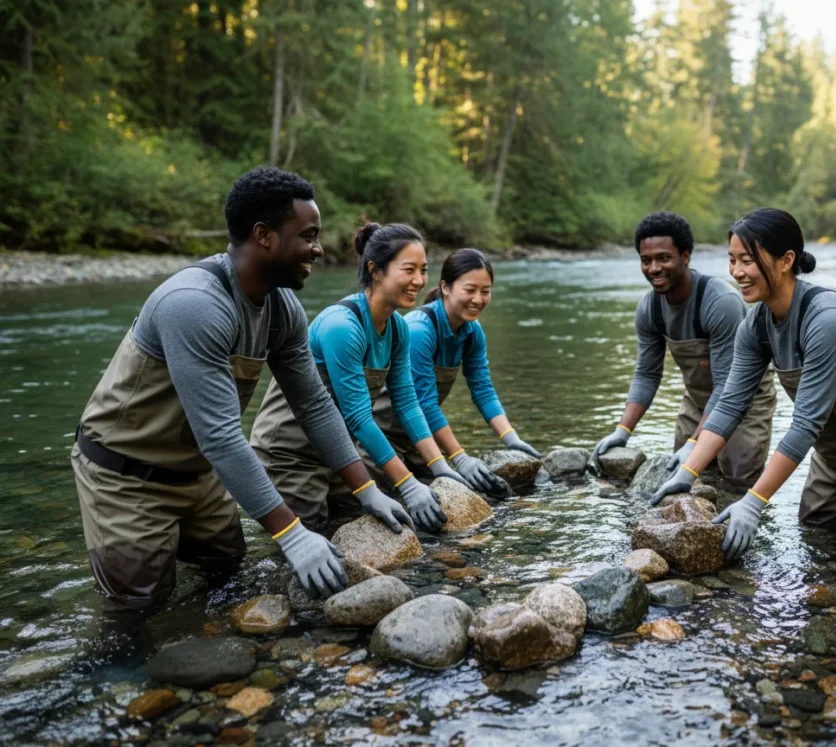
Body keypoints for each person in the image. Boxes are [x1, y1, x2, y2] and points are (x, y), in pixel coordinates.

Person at [71, 166, 400, 613]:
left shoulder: (282, 308)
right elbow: (222, 436)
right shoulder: (194, 304)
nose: (319, 249)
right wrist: (291, 533)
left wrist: (368, 491)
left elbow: (315, 405)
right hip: (127, 477)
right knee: (139, 609)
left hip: (199, 472)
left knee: (227, 568)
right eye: (308, 235)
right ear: (264, 235)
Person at [652, 208, 836, 567]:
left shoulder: (828, 319)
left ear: (786, 261)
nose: (737, 272)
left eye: (748, 260)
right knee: (815, 540)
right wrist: (687, 472)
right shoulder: (755, 324)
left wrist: (754, 502)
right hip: (832, 457)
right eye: (732, 260)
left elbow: (805, 424)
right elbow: (730, 403)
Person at [251, 222, 471, 533]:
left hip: (339, 453)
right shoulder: (342, 326)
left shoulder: (398, 328)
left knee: (368, 520)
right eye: (409, 270)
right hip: (290, 455)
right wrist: (407, 484)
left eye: (424, 270)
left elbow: (408, 404)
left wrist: (442, 466)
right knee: (312, 535)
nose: (420, 281)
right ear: (376, 270)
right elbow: (358, 417)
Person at [591, 211, 776, 487]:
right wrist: (622, 430)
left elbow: (727, 384)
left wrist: (694, 442)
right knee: (682, 481)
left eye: (663, 258)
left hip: (745, 401)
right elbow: (646, 374)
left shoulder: (720, 303)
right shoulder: (649, 309)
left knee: (737, 485)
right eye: (646, 260)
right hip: (698, 400)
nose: (654, 268)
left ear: (686, 256)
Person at [374, 248, 541, 498]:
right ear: (446, 287)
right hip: (382, 437)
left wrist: (511, 438)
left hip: (421, 440)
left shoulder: (472, 332)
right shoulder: (419, 330)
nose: (478, 299)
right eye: (470, 289)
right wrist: (459, 457)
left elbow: (483, 389)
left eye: (485, 292)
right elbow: (426, 404)